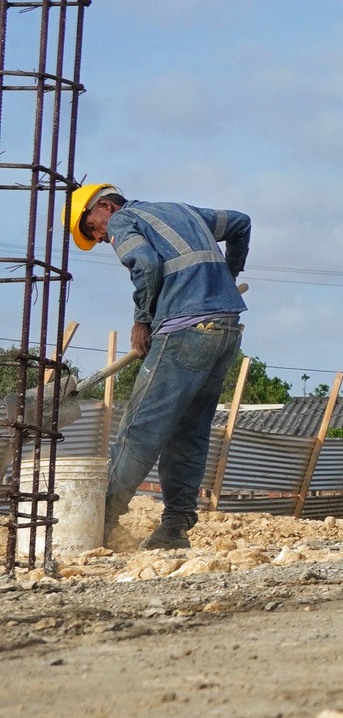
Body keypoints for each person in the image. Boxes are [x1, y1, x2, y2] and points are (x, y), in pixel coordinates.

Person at [68, 183, 251, 549]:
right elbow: (240, 223)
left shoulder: (123, 221)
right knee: (189, 432)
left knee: (140, 429)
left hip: (184, 327)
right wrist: (227, 277)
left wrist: (142, 320)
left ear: (104, 206)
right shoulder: (180, 210)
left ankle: (97, 525)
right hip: (226, 328)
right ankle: (174, 529)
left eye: (92, 228)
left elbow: (146, 264)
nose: (101, 238)